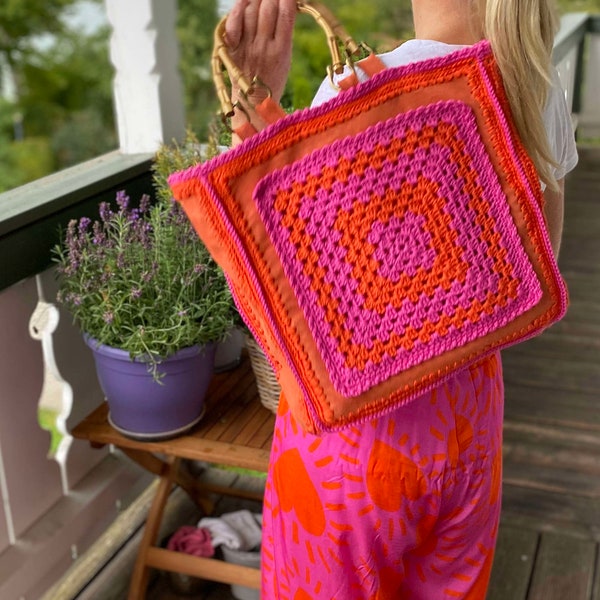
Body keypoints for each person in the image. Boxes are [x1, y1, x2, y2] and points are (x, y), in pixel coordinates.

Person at [222, 0, 578, 597]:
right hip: (470, 424)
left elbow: (277, 319)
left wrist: (253, 105)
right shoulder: (535, 81)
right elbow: (536, 283)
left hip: (360, 446)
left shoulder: (357, 89)